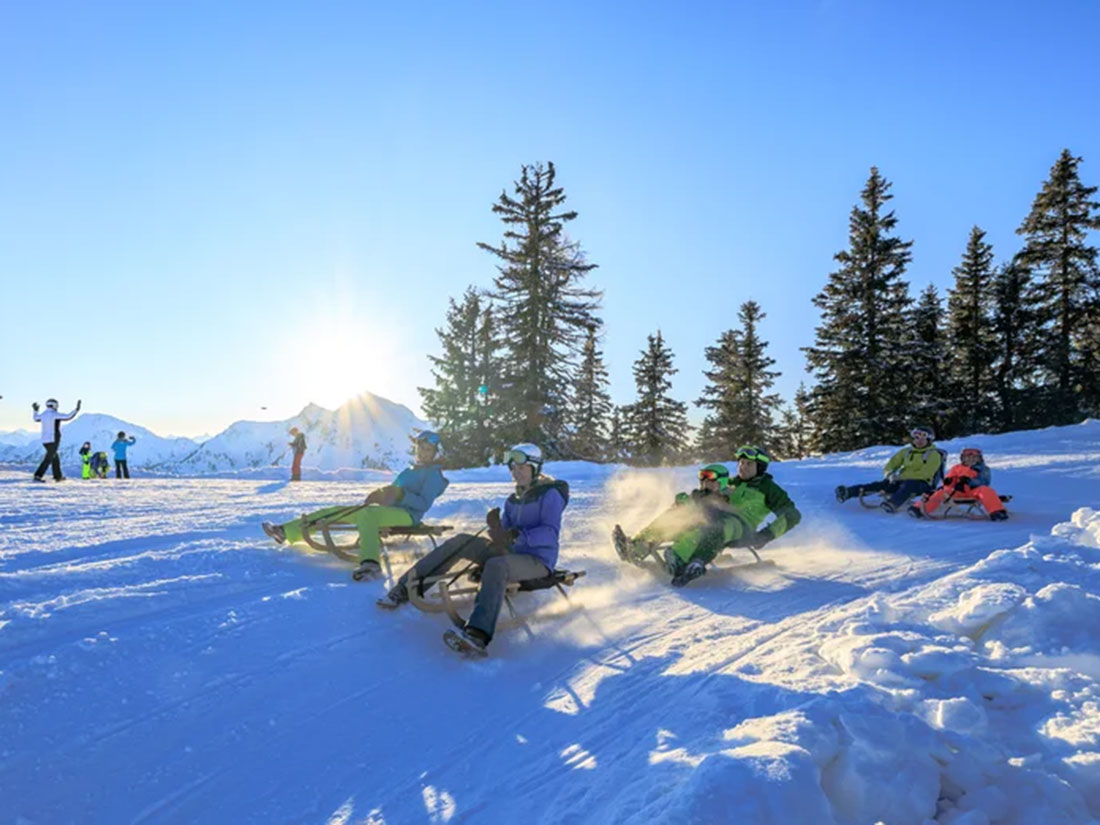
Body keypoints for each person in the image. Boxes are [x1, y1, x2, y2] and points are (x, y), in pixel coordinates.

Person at [377, 442, 569, 657]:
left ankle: (477, 634)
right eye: (513, 469)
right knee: (461, 541)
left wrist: (518, 536)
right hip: (512, 553)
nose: (516, 473)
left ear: (535, 468)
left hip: (537, 561)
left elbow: (550, 533)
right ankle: (406, 587)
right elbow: (504, 536)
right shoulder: (513, 499)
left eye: (522, 468)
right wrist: (497, 529)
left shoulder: (550, 494)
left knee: (497, 565)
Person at [262, 431, 450, 576]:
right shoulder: (409, 470)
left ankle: (371, 563)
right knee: (341, 511)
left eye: (428, 450)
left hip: (409, 516)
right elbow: (392, 491)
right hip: (389, 512)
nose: (423, 453)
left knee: (368, 515)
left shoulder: (434, 475)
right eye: (421, 448)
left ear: (436, 452)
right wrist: (381, 495)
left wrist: (400, 494)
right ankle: (286, 531)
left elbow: (423, 504)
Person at [613, 446, 801, 587]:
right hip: (717, 518)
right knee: (681, 515)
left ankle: (686, 560)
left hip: (741, 527)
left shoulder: (769, 489)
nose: (742, 467)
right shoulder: (730, 481)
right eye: (741, 463)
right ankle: (636, 546)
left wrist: (767, 535)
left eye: (748, 464)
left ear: (760, 467)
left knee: (720, 526)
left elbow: (792, 515)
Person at [834, 426, 945, 513]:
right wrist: (890, 474)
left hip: (923, 483)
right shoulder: (907, 451)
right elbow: (891, 464)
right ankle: (849, 492)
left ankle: (893, 504)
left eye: (923, 438)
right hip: (902, 480)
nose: (919, 441)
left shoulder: (934, 454)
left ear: (929, 440)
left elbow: (926, 473)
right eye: (916, 437)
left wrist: (901, 477)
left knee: (908, 485)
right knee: (882, 484)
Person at [909, 447, 1008, 521]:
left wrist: (969, 481)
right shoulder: (957, 468)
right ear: (962, 458)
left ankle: (997, 512)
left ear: (979, 458)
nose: (971, 459)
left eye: (974, 457)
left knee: (986, 490)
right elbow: (949, 480)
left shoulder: (983, 469)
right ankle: (919, 509)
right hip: (957, 492)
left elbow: (984, 481)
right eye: (967, 457)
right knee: (942, 492)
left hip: (974, 491)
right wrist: (949, 481)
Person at [32, 398, 81, 482]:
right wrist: (76, 410)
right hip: (53, 439)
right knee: (49, 458)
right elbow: (68, 416)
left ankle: (58, 476)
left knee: (55, 457)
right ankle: (38, 475)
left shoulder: (43, 415)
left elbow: (36, 418)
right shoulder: (54, 414)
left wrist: (35, 411)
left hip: (44, 440)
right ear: (54, 405)